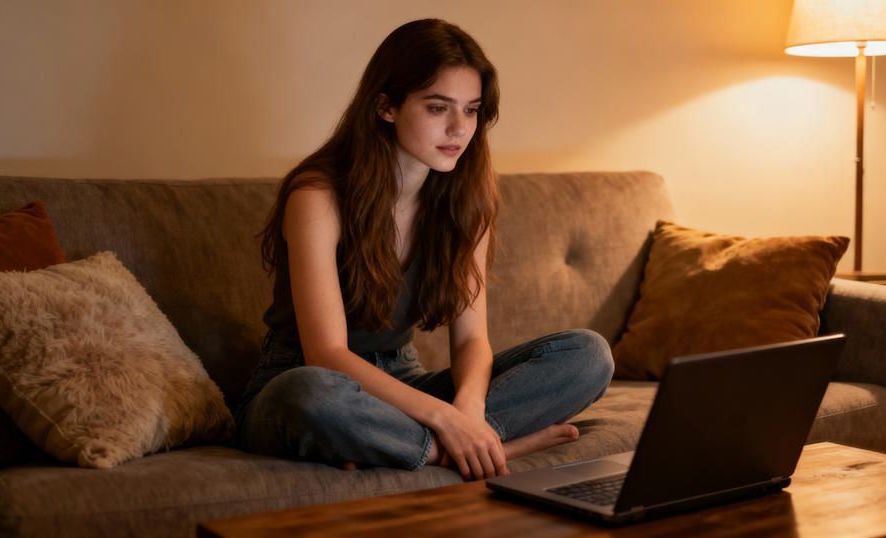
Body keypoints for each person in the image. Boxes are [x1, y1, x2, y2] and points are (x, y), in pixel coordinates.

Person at [235, 18, 614, 482]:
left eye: (471, 110)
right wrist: (444, 419)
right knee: (310, 395)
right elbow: (326, 353)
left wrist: (467, 413)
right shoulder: (317, 197)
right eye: (438, 108)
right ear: (387, 106)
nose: (459, 129)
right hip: (307, 380)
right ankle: (483, 450)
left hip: (404, 380)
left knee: (588, 354)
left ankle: (438, 445)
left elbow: (473, 341)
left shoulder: (468, 202)